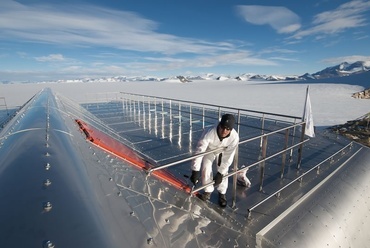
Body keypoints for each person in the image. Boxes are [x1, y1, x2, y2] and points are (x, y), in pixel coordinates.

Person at [190, 114, 239, 208]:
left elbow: (228, 157)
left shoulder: (234, 137)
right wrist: (195, 170)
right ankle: (207, 191)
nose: (224, 131)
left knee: (224, 171)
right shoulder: (209, 132)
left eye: (228, 129)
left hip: (223, 151)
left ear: (231, 129)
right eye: (223, 127)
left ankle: (222, 194)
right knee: (206, 167)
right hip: (210, 149)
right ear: (219, 125)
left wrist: (220, 173)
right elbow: (200, 150)